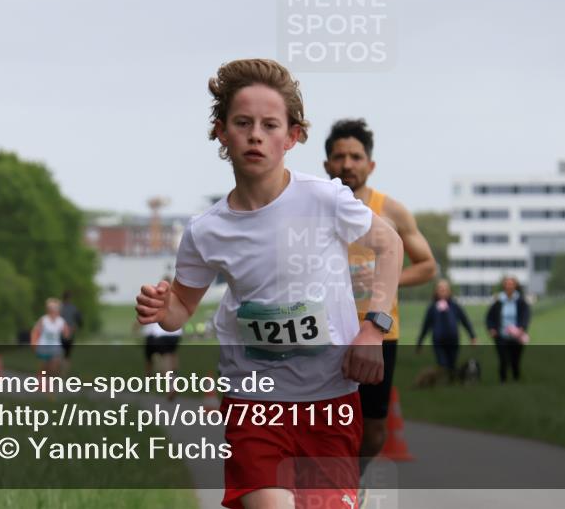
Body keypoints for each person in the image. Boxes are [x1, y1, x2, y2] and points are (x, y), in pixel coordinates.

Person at [136, 58, 402, 509]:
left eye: (269, 124)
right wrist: (164, 308)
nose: (255, 134)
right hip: (254, 402)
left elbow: (390, 245)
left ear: (292, 136)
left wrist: (373, 326)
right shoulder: (207, 231)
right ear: (222, 132)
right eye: (243, 123)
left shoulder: (324, 199)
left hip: (331, 401)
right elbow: (182, 304)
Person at [323, 118, 436, 468]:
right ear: (327, 164)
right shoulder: (313, 205)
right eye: (339, 157)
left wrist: (384, 281)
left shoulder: (390, 210)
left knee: (372, 430)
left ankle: (349, 487)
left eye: (356, 157)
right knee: (326, 425)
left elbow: (428, 266)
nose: (347, 164)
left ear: (370, 164)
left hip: (379, 331)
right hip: (327, 331)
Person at [416, 280, 476, 376]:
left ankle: (451, 382)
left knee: (452, 364)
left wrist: (472, 336)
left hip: (453, 340)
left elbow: (465, 321)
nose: (443, 291)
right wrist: (419, 343)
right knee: (442, 364)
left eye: (445, 289)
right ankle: (442, 382)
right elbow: (425, 326)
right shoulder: (432, 308)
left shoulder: (455, 306)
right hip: (438, 341)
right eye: (440, 289)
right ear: (436, 291)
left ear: (449, 291)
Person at [486, 276, 531, 383]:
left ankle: (516, 378)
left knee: (515, 360)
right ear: (504, 286)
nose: (509, 286)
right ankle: (503, 380)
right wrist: (491, 328)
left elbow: (526, 315)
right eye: (507, 284)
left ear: (515, 286)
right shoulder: (498, 301)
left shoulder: (520, 300)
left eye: (511, 284)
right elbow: (489, 317)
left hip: (517, 336)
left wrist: (522, 327)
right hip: (501, 335)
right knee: (503, 359)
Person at [32, 298, 71, 378]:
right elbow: (35, 331)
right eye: (51, 308)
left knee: (54, 365)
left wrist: (67, 334)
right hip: (43, 345)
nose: (54, 310)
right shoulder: (44, 319)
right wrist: (34, 342)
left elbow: (66, 333)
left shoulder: (61, 321)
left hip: (55, 346)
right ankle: (40, 377)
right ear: (48, 309)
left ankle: (50, 383)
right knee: (44, 366)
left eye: (56, 308)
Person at [59, 290, 83, 374]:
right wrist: (76, 327)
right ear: (70, 298)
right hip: (69, 334)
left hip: (59, 334)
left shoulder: (59, 308)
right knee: (67, 355)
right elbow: (80, 321)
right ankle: (63, 374)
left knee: (59, 354)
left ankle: (57, 373)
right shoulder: (74, 308)